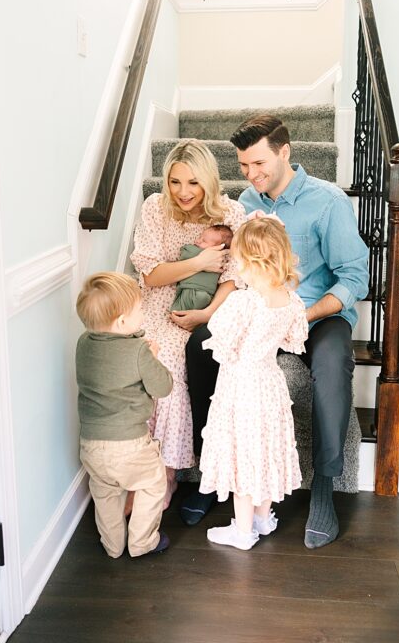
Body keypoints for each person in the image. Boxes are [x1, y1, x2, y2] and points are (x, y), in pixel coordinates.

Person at [183, 115, 369, 550]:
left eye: (259, 163)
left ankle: (324, 487)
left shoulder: (329, 202)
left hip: (318, 315)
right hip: (260, 314)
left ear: (285, 151)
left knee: (332, 363)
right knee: (198, 346)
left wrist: (301, 316)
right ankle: (203, 473)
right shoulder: (247, 201)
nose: (250, 174)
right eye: (244, 165)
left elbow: (354, 277)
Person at [130, 139, 247, 507]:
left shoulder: (231, 213)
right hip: (155, 302)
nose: (183, 192)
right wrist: (198, 263)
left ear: (209, 182)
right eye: (175, 182)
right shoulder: (155, 208)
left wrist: (208, 314)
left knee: (170, 365)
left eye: (193, 183)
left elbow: (235, 275)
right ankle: (137, 471)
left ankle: (167, 473)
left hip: (210, 305)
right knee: (138, 361)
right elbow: (150, 274)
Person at [197, 218, 309, 551]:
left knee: (243, 453)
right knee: (262, 449)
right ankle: (262, 517)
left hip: (241, 387)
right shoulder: (290, 300)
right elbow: (293, 340)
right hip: (270, 384)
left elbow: (222, 343)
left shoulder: (244, 302)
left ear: (250, 261)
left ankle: (243, 531)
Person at [74, 272, 173, 558]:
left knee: (105, 492)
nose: (143, 313)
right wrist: (152, 357)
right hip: (130, 444)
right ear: (121, 321)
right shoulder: (139, 351)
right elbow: (163, 387)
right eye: (140, 310)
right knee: (153, 484)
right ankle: (142, 542)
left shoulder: (83, 343)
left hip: (91, 443)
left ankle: (113, 545)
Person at [170, 224, 234, 312]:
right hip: (208, 295)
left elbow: (185, 253)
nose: (197, 241)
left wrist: (185, 248)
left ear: (217, 248)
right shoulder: (222, 261)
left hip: (192, 289)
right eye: (200, 237)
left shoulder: (195, 252)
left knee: (178, 309)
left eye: (203, 240)